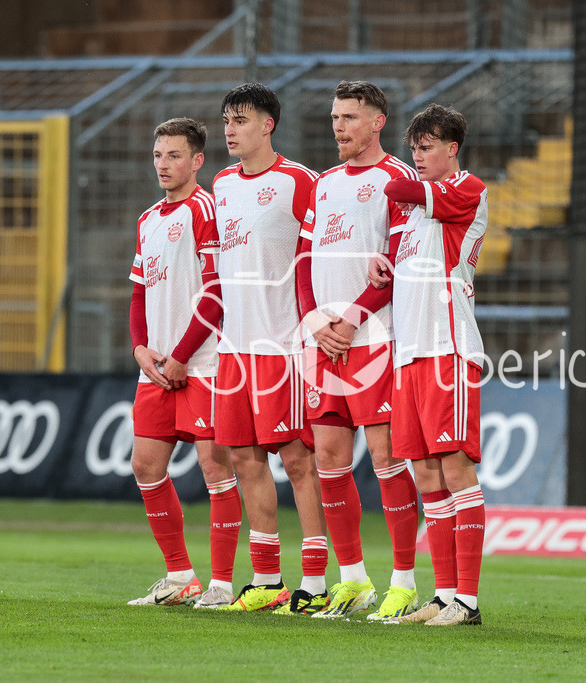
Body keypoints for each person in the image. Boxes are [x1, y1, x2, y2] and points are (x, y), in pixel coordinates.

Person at [296, 80, 421, 620]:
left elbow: (401, 261)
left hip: (375, 339)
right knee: (328, 458)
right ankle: (351, 580)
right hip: (324, 342)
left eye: (349, 117)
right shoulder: (323, 184)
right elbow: (303, 260)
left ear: (378, 122)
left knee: (387, 458)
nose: (339, 127)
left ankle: (405, 581)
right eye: (334, 117)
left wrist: (351, 317)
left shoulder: (399, 179)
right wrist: (312, 317)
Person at [205, 83, 330, 614]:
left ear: (267, 125)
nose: (230, 129)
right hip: (234, 347)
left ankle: (319, 581)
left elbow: (322, 257)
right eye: (227, 120)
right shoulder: (222, 184)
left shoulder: (300, 182)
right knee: (242, 458)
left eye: (240, 119)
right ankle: (266, 578)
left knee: (299, 460)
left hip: (282, 345)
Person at [369, 104, 487, 626]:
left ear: (452, 149)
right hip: (409, 353)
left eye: (427, 146)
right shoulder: (413, 213)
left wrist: (389, 169)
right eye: (414, 147)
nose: (417, 156)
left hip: (448, 348)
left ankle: (468, 601)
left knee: (456, 468)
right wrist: (382, 267)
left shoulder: (466, 189)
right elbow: (404, 268)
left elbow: (400, 189)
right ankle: (442, 595)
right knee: (424, 472)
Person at [126, 117, 235, 607]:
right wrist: (141, 348)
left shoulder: (207, 209)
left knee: (216, 467)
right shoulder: (148, 219)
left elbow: (216, 293)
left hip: (204, 365)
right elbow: (138, 293)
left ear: (197, 160)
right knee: (145, 465)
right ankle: (179, 576)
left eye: (174, 156)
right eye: (157, 155)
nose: (163, 164)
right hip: (157, 367)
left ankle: (222, 584)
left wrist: (184, 356)